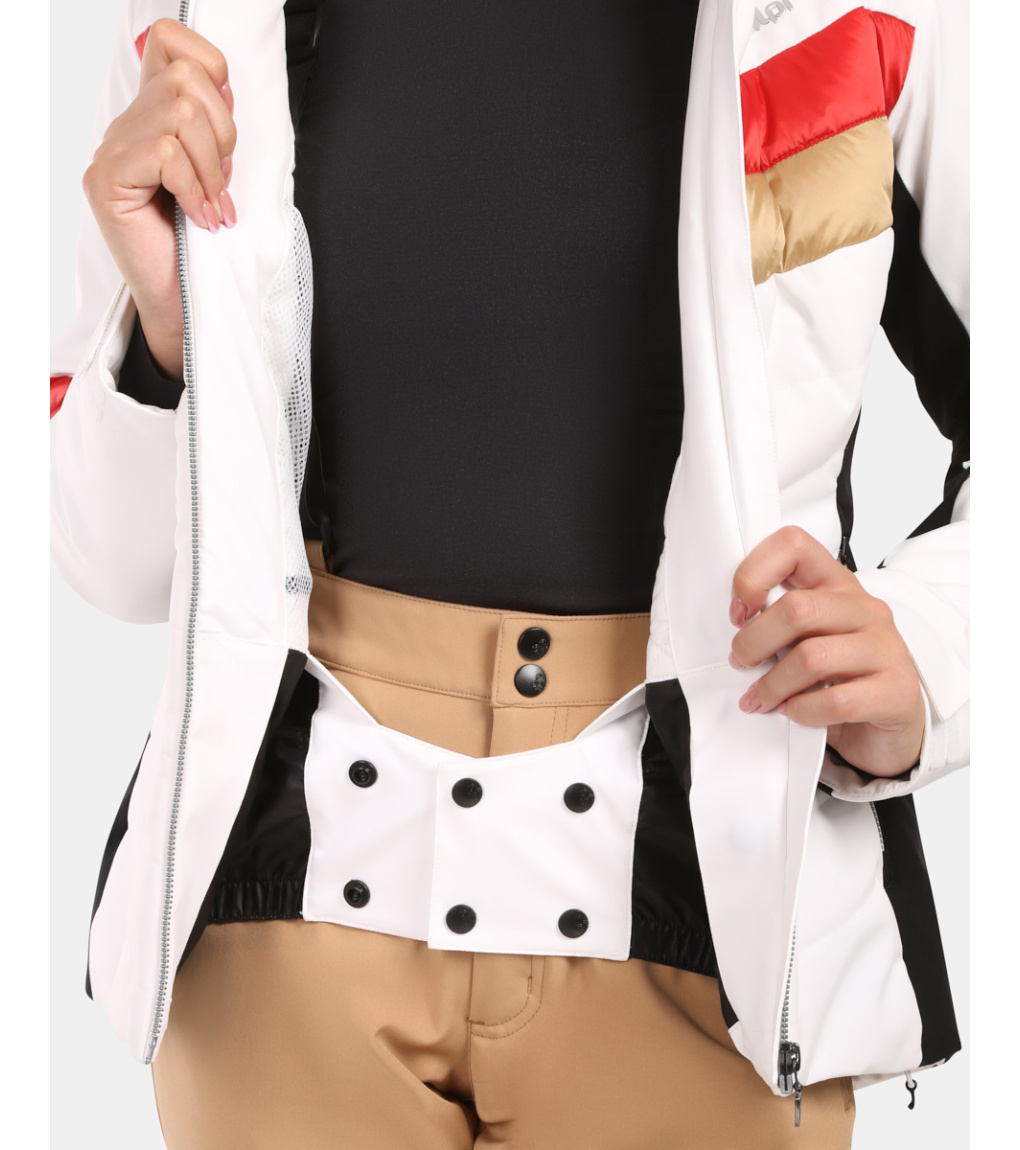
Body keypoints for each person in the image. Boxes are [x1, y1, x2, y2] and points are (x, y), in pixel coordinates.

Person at [50, 1, 969, 1147]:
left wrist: (929, 648)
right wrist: (164, 330)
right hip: (285, 917)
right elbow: (113, 561)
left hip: (707, 914)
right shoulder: (190, 18)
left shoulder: (883, 14)